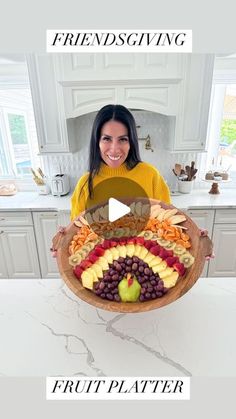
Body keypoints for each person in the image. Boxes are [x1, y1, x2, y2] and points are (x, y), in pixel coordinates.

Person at [70, 104, 171, 221]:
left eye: (123, 139)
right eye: (107, 139)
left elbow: (168, 223)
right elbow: (76, 232)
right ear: (97, 141)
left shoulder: (151, 176)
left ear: (131, 142)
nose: (114, 149)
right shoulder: (85, 184)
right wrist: (65, 235)